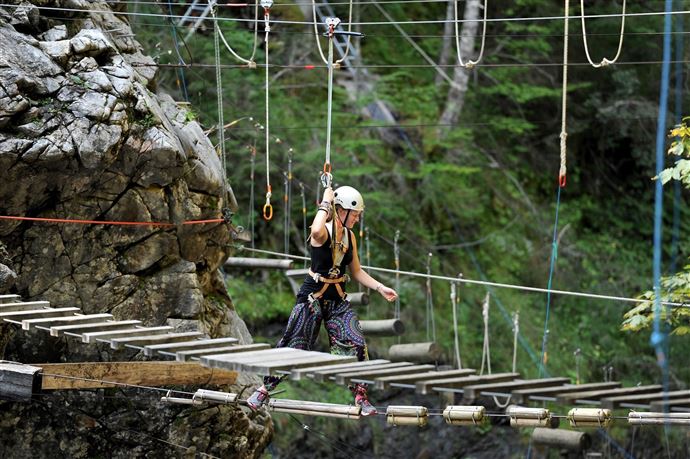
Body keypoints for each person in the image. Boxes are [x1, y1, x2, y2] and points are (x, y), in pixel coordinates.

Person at [246, 185, 398, 416]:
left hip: (337, 301)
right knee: (295, 344)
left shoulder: (350, 237)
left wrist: (379, 287)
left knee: (355, 342)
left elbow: (356, 271)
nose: (357, 219)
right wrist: (326, 202)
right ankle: (264, 389)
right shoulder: (323, 232)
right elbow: (316, 232)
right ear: (341, 211)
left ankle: (360, 396)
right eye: (355, 214)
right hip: (312, 298)